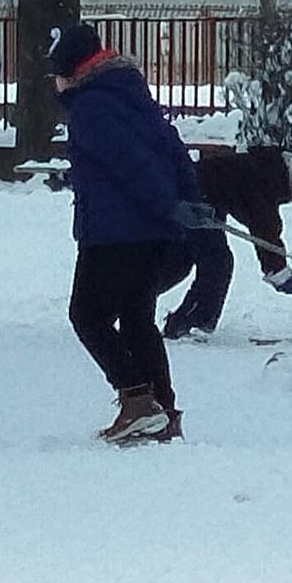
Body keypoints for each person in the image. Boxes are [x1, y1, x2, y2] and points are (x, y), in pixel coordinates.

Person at [50, 22, 210, 445]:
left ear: (71, 70)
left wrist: (169, 203)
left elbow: (131, 164)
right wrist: (187, 201)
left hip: (115, 232)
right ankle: (163, 411)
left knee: (87, 316)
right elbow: (170, 147)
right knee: (137, 317)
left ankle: (138, 402)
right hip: (154, 229)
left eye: (55, 72)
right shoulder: (129, 92)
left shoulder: (90, 107)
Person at [161, 147, 292, 340]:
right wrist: (280, 275)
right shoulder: (270, 179)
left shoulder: (270, 170)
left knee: (180, 262)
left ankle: (140, 303)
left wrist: (278, 270)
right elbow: (264, 228)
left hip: (191, 196)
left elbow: (260, 221)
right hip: (195, 201)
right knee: (217, 263)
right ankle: (191, 324)